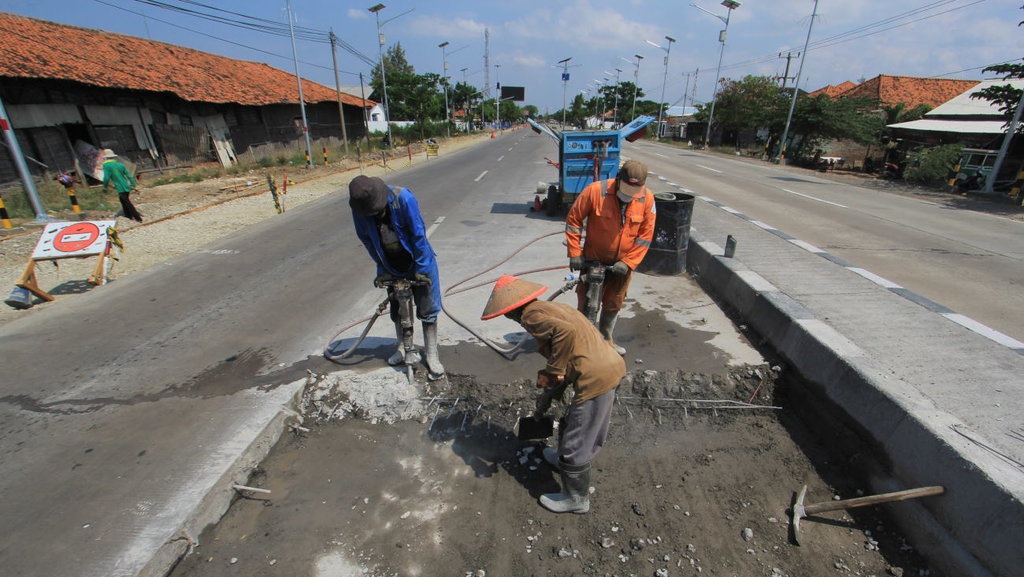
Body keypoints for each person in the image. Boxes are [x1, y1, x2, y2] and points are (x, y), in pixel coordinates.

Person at [481, 274, 625, 514]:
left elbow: (565, 334)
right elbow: (571, 346)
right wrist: (549, 394)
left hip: (596, 377)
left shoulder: (530, 315)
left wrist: (553, 371)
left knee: (578, 441)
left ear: (511, 311)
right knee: (572, 421)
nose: (512, 319)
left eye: (507, 314)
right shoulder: (551, 307)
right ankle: (561, 459)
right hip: (607, 366)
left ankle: (576, 499)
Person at [348, 175, 445, 380]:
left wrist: (421, 268)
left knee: (428, 308)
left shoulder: (403, 199)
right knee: (398, 310)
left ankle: (431, 354)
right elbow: (367, 240)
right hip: (391, 263)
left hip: (416, 258)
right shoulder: (360, 209)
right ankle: (402, 347)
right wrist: (382, 269)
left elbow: (418, 234)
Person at [565, 159, 656, 355]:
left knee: (614, 301)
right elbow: (574, 220)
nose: (628, 197)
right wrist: (574, 253)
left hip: (622, 265)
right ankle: (583, 343)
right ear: (618, 179)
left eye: (633, 193)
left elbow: (645, 236)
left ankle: (606, 340)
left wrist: (628, 262)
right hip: (593, 260)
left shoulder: (647, 199)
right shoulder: (596, 191)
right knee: (588, 302)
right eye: (625, 192)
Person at [101, 149, 143, 223]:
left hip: (120, 187)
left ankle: (137, 217)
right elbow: (129, 176)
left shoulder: (106, 165)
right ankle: (128, 215)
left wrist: (105, 187)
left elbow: (106, 177)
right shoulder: (120, 165)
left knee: (126, 201)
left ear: (106, 157)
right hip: (126, 185)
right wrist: (135, 186)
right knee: (123, 200)